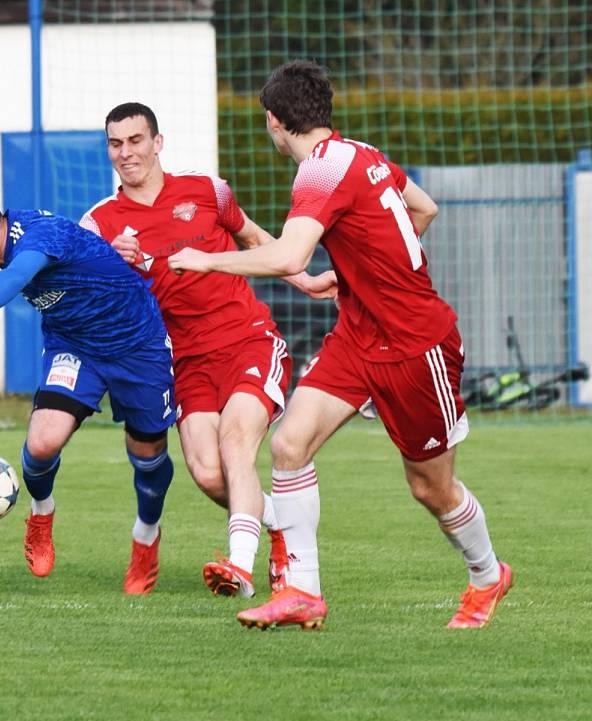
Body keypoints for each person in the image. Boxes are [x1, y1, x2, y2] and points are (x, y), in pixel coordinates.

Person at [168, 60, 512, 630]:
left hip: (415, 345)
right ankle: (302, 592)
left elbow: (287, 257)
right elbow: (423, 209)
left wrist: (208, 259)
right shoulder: (363, 153)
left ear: (275, 122)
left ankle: (486, 574)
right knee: (289, 444)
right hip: (357, 335)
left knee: (431, 487)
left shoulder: (318, 174)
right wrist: (355, 277)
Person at [81, 102, 334, 599]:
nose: (126, 152)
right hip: (184, 359)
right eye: (116, 143)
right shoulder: (99, 224)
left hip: (247, 339)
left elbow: (255, 238)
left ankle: (239, 566)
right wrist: (111, 264)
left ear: (157, 142)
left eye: (135, 140)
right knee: (206, 470)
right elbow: (92, 301)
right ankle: (281, 526)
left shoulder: (207, 191)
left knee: (237, 441)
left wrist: (303, 280)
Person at [0, 182, 176, 595]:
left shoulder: (39, 236)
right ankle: (40, 516)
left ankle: (145, 539)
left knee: (148, 457)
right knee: (41, 444)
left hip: (137, 346)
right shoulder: (1, 242)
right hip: (74, 347)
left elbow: (17, 277)